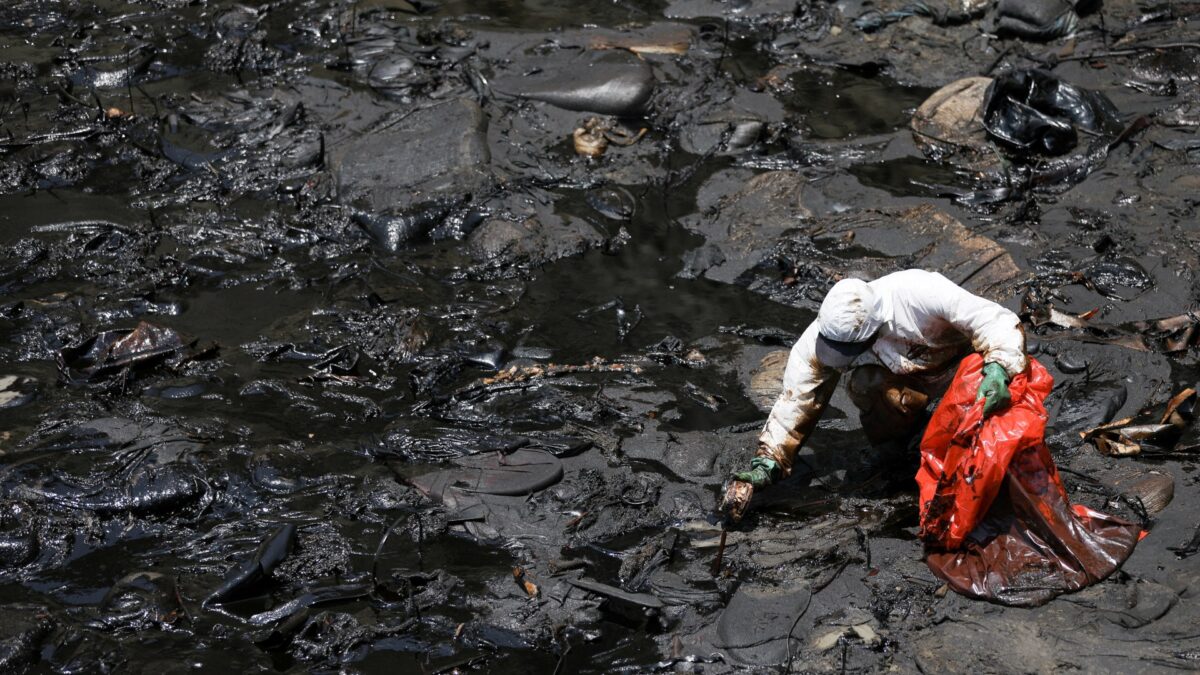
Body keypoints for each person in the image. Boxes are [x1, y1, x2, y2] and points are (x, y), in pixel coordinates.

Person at [721, 268, 1027, 521]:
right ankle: (904, 449)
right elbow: (796, 399)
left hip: (962, 370)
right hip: (911, 381)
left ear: (875, 327)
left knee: (984, 420)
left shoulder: (921, 292)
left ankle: (969, 448)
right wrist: (769, 459)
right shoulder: (820, 337)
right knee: (863, 383)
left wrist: (999, 367)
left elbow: (994, 320)